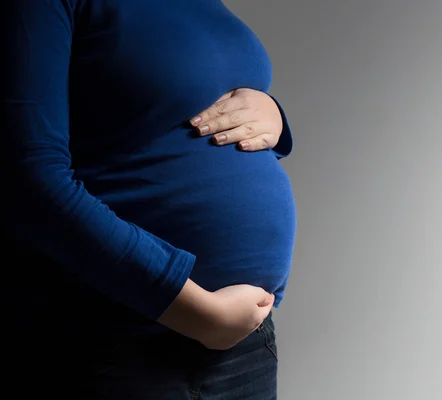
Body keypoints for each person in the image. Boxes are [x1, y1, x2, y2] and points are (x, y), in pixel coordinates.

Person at [1, 0, 296, 399]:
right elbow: (29, 178)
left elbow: (168, 114)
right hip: (120, 340)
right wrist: (193, 309)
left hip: (243, 347)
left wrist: (273, 117)